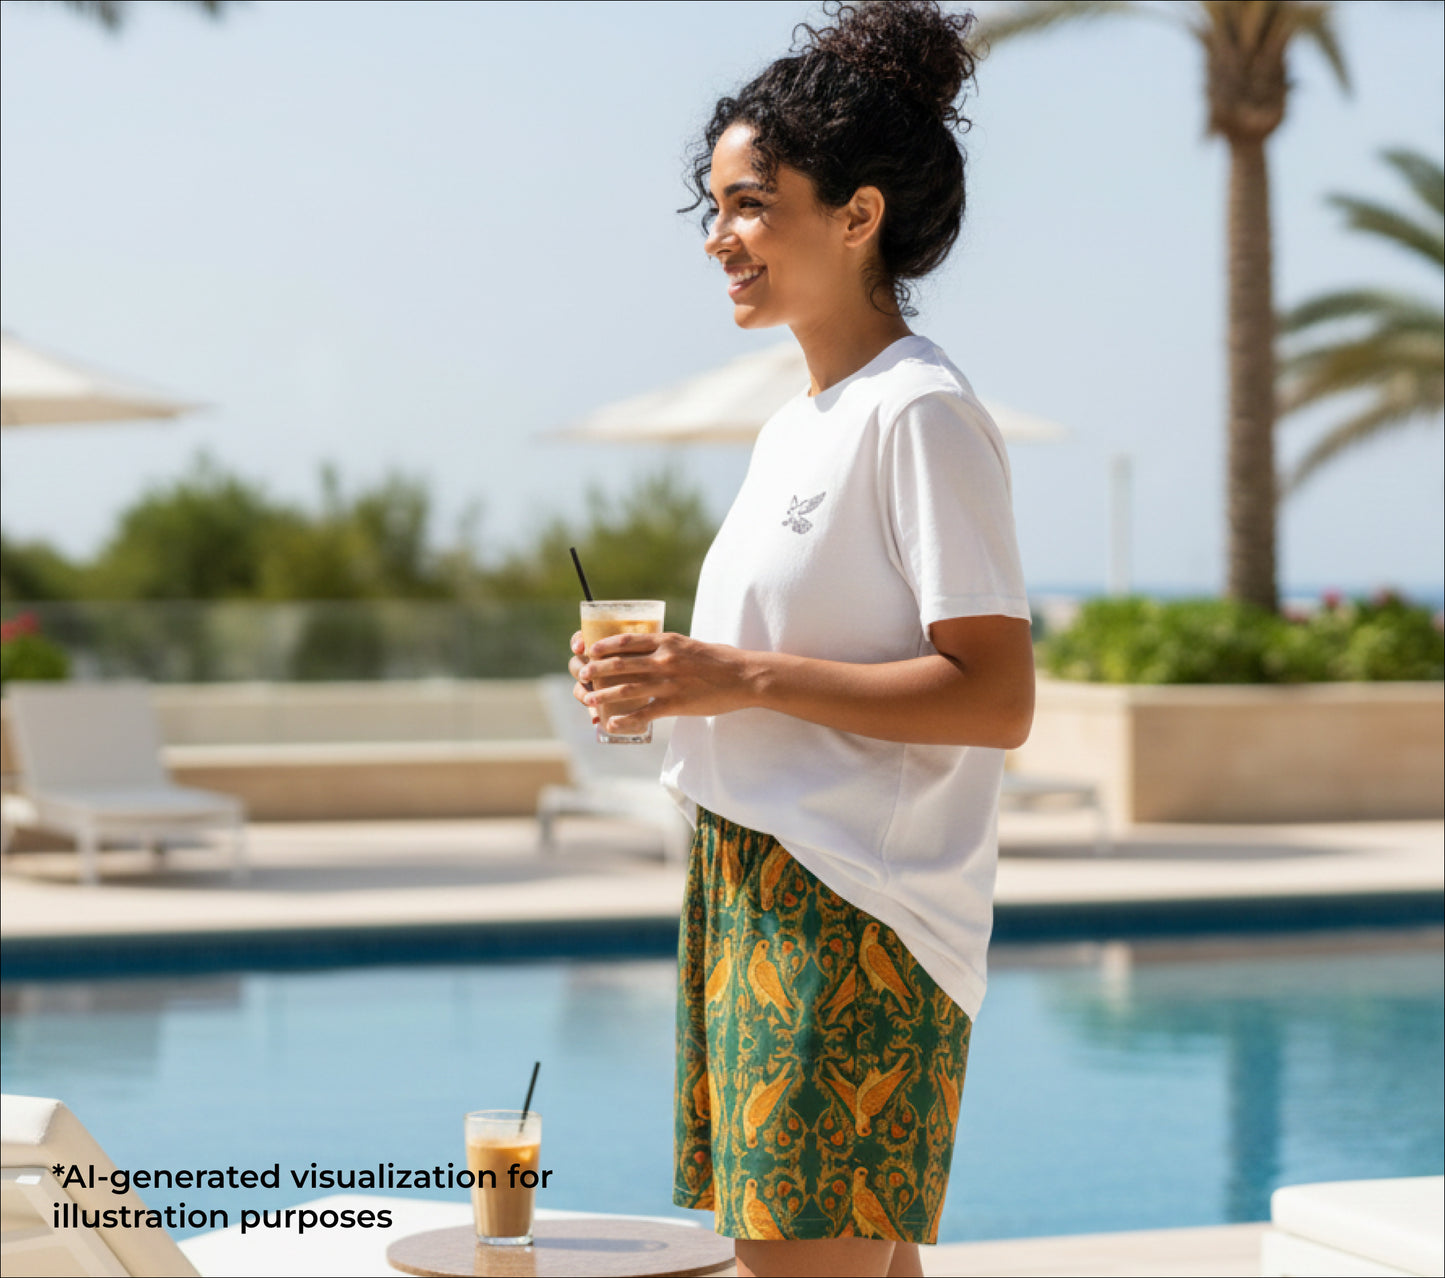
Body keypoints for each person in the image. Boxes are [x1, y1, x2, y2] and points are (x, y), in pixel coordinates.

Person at [569, 3, 1034, 1274]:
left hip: (851, 910)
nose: (718, 237)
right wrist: (668, 683)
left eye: (750, 206)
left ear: (856, 215)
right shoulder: (798, 423)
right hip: (750, 886)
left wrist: (730, 675)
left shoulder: (919, 414)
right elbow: (763, 666)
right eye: (712, 208)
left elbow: (994, 698)